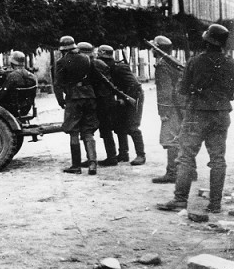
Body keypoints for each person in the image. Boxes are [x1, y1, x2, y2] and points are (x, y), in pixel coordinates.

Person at [157, 24, 234, 219]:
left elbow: (182, 90)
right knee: (218, 159)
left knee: (186, 157)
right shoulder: (230, 64)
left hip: (196, 114)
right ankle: (215, 204)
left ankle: (180, 199)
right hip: (221, 114)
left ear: (206, 41)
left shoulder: (194, 61)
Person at [53, 36, 99, 175]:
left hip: (74, 98)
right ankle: (92, 164)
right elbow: (95, 79)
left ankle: (76, 166)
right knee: (88, 131)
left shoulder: (61, 62)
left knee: (73, 131)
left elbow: (57, 84)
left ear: (63, 50)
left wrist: (61, 100)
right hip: (89, 97)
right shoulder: (86, 59)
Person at [97, 45, 146, 165]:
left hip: (135, 96)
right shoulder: (109, 68)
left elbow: (134, 85)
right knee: (120, 126)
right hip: (123, 97)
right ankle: (123, 154)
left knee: (132, 126)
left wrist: (125, 99)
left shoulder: (120, 67)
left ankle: (141, 155)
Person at [150, 36, 187, 183]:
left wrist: (163, 112)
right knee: (181, 137)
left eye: (154, 47)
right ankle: (190, 171)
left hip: (172, 107)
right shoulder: (173, 62)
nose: (152, 49)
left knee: (171, 139)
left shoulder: (162, 65)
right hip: (181, 105)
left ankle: (172, 173)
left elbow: (165, 91)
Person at [77, 42, 118, 166]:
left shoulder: (90, 63)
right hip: (106, 99)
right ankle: (111, 157)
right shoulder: (99, 63)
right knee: (105, 129)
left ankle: (93, 159)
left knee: (88, 129)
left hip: (98, 100)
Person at [0, 50, 37, 117]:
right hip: (26, 109)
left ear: (12, 63)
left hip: (13, 110)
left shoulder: (12, 76)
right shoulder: (32, 76)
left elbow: (0, 95)